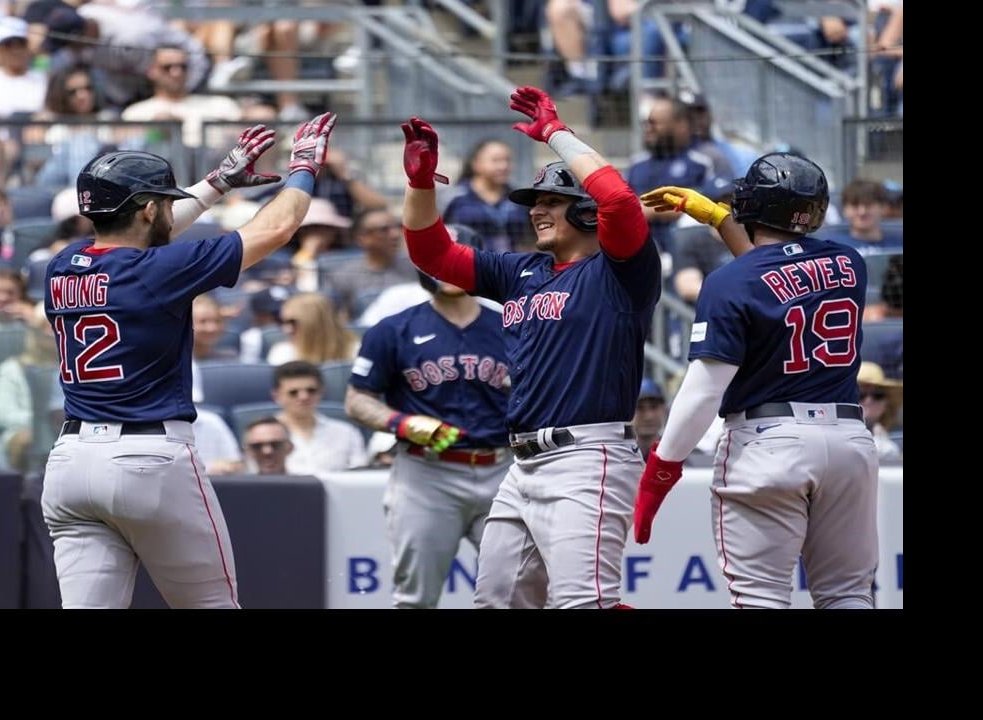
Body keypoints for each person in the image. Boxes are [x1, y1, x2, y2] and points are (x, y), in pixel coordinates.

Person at [41, 116, 337, 609]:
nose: (169, 209)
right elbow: (278, 227)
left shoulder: (63, 264)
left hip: (70, 465)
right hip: (148, 458)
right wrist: (303, 168)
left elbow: (145, 231)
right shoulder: (157, 270)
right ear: (148, 208)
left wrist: (218, 183)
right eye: (164, 201)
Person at [399, 85, 661, 609]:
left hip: (589, 455)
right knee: (496, 601)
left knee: (583, 603)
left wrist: (555, 134)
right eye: (534, 202)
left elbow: (619, 200)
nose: (537, 211)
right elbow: (432, 254)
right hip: (522, 464)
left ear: (587, 213)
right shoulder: (523, 270)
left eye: (553, 202)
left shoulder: (620, 271)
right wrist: (421, 183)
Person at [633, 152, 878, 609]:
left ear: (752, 205)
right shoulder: (850, 263)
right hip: (848, 441)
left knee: (760, 599)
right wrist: (720, 220)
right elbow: (777, 273)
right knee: (847, 595)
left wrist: (661, 471)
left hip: (767, 445)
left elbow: (706, 387)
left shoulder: (729, 281)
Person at [345, 223, 512, 609]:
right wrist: (400, 424)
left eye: (458, 258)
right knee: (416, 599)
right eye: (439, 258)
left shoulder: (510, 326)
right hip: (426, 474)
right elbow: (357, 399)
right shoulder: (393, 330)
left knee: (513, 596)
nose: (448, 268)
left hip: (503, 469)